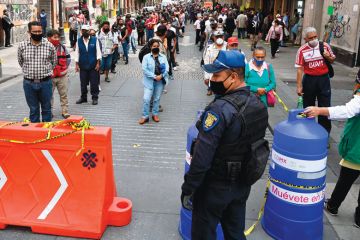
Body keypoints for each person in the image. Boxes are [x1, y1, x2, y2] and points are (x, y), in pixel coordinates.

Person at [181, 50, 269, 240]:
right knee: (235, 232)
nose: (212, 79)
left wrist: (189, 188)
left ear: (234, 76)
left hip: (214, 186)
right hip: (242, 184)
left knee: (203, 234)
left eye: (217, 75)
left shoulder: (219, 110)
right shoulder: (258, 104)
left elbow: (202, 158)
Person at [304, 70, 360, 228]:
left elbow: (348, 110)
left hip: (357, 148)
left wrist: (319, 110)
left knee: (345, 179)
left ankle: (333, 205)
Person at [295, 27, 336, 135]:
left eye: (315, 37)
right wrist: (299, 86)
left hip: (323, 79)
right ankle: (308, 130)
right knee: (308, 106)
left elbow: (332, 59)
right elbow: (299, 69)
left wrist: (328, 57)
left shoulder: (325, 46)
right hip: (309, 80)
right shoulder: (302, 50)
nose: (314, 39)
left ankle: (324, 133)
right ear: (306, 39)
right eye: (311, 38)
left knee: (325, 106)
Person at [17, 21, 57, 123]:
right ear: (29, 32)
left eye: (40, 31)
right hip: (29, 83)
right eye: (35, 31)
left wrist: (45, 71)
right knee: (33, 110)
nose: (38, 33)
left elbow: (54, 62)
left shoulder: (49, 46)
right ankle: (35, 135)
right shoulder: (22, 46)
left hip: (46, 83)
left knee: (47, 109)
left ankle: (46, 134)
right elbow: (21, 62)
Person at [139, 39, 169, 125]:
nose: (156, 48)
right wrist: (154, 76)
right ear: (150, 47)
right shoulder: (146, 57)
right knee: (146, 99)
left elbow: (167, 68)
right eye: (154, 46)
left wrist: (162, 76)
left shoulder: (163, 57)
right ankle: (145, 116)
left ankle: (155, 114)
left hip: (160, 81)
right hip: (149, 81)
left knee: (156, 99)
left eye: (157, 46)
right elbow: (144, 69)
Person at [75, 25, 102, 105]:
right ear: (81, 31)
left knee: (94, 83)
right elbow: (77, 53)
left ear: (89, 31)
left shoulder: (95, 40)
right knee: (83, 83)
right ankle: (83, 98)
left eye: (86, 30)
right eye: (83, 30)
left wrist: (98, 63)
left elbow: (98, 52)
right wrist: (76, 65)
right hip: (83, 65)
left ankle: (95, 97)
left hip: (93, 65)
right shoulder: (79, 41)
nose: (84, 32)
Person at [47, 29, 71, 119]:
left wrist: (64, 69)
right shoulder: (45, 48)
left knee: (63, 94)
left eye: (58, 37)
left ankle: (65, 111)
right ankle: (49, 111)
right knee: (49, 96)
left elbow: (68, 59)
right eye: (55, 37)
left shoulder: (63, 48)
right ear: (49, 38)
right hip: (50, 76)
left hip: (62, 76)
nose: (57, 39)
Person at [203, 30, 227, 96]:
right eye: (217, 37)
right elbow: (206, 62)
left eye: (221, 37)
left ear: (224, 37)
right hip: (213, 75)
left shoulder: (228, 46)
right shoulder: (209, 48)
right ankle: (210, 89)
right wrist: (206, 77)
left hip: (226, 76)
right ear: (213, 37)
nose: (219, 39)